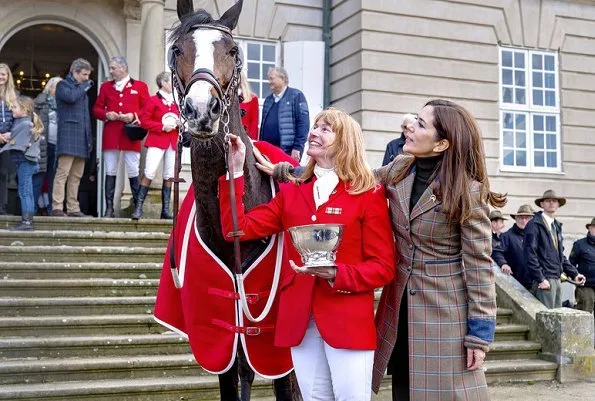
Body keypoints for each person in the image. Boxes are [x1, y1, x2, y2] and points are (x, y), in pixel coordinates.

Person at [255, 100, 504, 399]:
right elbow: (349, 176)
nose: (410, 126)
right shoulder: (400, 167)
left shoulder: (469, 191)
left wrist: (479, 334)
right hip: (397, 308)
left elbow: (478, 265)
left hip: (445, 312)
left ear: (441, 144)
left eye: (421, 124)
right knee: (404, 390)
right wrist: (287, 171)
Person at [220, 108, 396, 400]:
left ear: (346, 142)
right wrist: (236, 171)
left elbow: (383, 267)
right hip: (299, 318)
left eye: (325, 129)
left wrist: (338, 274)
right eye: (315, 126)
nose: (314, 132)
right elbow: (236, 230)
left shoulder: (368, 194)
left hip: (347, 318)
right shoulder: (291, 193)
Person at [93, 56, 149, 217]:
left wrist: (132, 115)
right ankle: (109, 209)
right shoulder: (105, 87)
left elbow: (147, 109)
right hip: (112, 133)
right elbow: (96, 109)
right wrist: (106, 114)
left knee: (133, 169)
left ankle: (138, 208)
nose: (110, 71)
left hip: (130, 133)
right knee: (110, 169)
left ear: (123, 68)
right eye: (110, 68)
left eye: (113, 68)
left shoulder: (139, 86)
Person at [524, 189, 586, 309]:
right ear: (542, 204)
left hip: (557, 279)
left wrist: (574, 273)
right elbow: (529, 254)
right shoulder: (534, 224)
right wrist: (540, 278)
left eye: (554, 201)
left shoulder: (556, 226)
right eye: (547, 201)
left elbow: (560, 256)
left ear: (558, 205)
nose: (551, 203)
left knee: (556, 319)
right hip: (545, 280)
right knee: (546, 321)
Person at [132, 71, 180, 220]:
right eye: (170, 82)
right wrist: (161, 126)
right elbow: (144, 121)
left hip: (172, 141)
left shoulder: (176, 102)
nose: (173, 84)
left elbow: (181, 119)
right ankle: (138, 208)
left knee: (169, 175)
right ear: (163, 83)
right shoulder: (153, 100)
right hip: (157, 140)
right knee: (150, 172)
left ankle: (165, 210)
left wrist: (179, 124)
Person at [52, 58, 94, 217]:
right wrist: (84, 86)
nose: (86, 78)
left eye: (88, 75)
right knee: (62, 173)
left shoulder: (81, 89)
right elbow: (71, 97)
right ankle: (57, 206)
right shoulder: (63, 85)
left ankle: (73, 207)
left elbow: (85, 115)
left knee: (76, 175)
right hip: (68, 135)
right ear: (74, 72)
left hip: (81, 137)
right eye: (84, 74)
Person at [0, 96, 43, 230]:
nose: (12, 109)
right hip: (26, 163)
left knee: (24, 192)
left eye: (15, 107)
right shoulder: (23, 123)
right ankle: (27, 220)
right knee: (27, 192)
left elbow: (15, 141)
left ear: (24, 110)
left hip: (25, 162)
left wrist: (7, 140)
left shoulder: (25, 124)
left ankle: (27, 222)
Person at [259, 67, 309, 161]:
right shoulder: (268, 100)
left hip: (288, 152)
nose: (269, 82)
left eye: (271, 78)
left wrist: (298, 147)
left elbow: (303, 123)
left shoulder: (296, 95)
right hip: (267, 153)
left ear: (282, 78)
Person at [34, 77, 62, 214]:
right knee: (39, 177)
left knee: (54, 178)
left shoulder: (65, 104)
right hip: (42, 145)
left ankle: (53, 209)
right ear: (50, 88)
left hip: (58, 146)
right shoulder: (39, 103)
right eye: (57, 86)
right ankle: (32, 208)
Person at [492, 204, 535, 289]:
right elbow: (497, 252)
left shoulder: (535, 236)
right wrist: (503, 263)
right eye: (521, 218)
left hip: (536, 283)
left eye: (527, 218)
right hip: (517, 284)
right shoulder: (506, 236)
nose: (524, 220)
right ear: (516, 219)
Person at [0, 63, 17, 215]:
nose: (1, 77)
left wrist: (11, 134)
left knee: (4, 174)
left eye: (4, 74)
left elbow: (17, 118)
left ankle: (2, 207)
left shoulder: (13, 96)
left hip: (7, 141)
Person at [569, 218, 595, 315]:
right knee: (584, 313)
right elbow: (570, 264)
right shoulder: (579, 244)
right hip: (585, 285)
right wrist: (575, 276)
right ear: (590, 228)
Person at [239, 71, 259, 140]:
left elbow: (254, 123)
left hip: (246, 138)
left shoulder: (252, 98)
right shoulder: (226, 97)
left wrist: (252, 141)